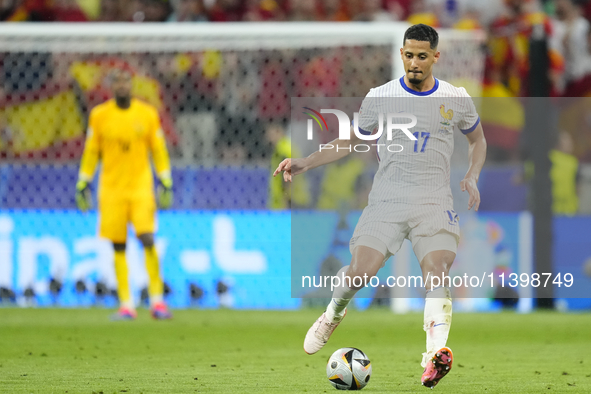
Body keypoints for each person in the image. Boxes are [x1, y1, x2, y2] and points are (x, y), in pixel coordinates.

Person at [274, 24, 487, 388]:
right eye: (409, 55)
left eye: (422, 56)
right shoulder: (381, 97)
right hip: (387, 201)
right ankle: (332, 314)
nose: (414, 62)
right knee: (359, 273)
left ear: (436, 57)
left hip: (434, 202)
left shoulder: (456, 97)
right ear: (401, 54)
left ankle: (434, 354)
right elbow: (348, 141)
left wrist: (472, 174)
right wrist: (306, 161)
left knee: (437, 271)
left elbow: (477, 139)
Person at [75, 68, 174, 320]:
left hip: (141, 186)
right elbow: (91, 151)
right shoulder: (100, 116)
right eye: (117, 82)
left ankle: (157, 301)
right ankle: (127, 304)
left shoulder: (147, 114)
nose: (122, 87)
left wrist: (165, 178)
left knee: (147, 238)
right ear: (111, 86)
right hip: (111, 189)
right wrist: (84, 181)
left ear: (132, 85)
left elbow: (159, 149)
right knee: (118, 244)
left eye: (126, 82)